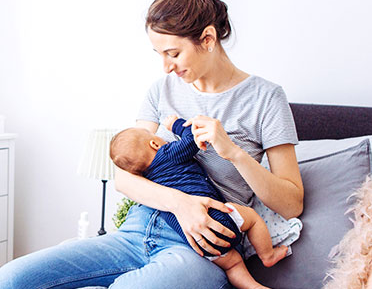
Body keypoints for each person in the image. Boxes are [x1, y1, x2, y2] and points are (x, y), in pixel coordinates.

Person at [0, 0, 303, 287]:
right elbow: (124, 180)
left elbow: (291, 204)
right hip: (137, 228)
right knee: (9, 280)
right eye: (159, 54)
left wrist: (233, 152)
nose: (166, 67)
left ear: (207, 39)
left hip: (202, 247)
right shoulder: (161, 92)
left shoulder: (265, 98)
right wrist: (182, 204)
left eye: (173, 53)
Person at [109, 115, 289, 289]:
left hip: (197, 240)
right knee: (252, 218)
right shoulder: (168, 153)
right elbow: (191, 140)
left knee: (232, 264)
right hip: (218, 219)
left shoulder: (147, 180)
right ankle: (268, 255)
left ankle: (254, 287)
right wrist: (176, 125)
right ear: (154, 143)